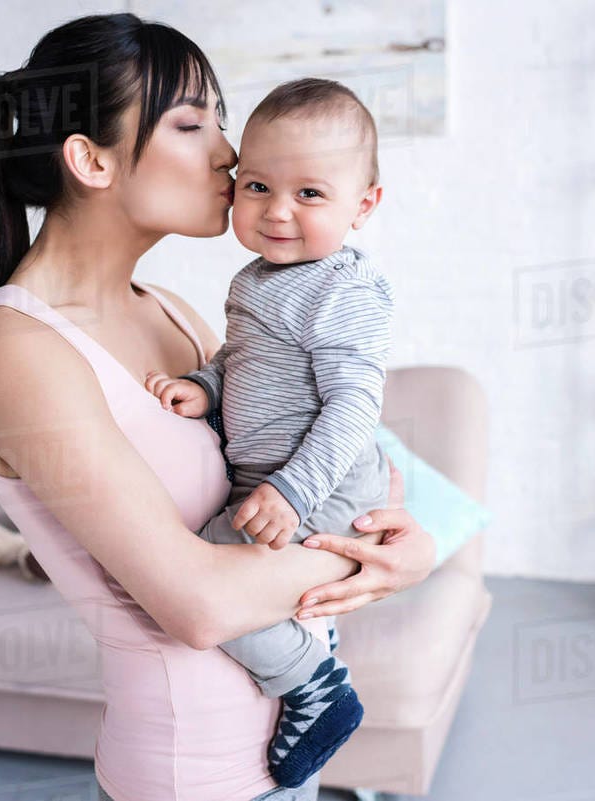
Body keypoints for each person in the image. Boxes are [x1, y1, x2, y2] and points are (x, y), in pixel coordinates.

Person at [0, 13, 437, 801]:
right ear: (90, 159)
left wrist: (402, 536)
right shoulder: (17, 351)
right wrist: (377, 562)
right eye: (193, 123)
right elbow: (196, 606)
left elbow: (346, 451)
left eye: (222, 121)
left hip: (289, 757)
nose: (231, 154)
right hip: (193, 779)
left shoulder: (172, 312)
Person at [144, 77, 392, 789]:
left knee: (200, 575)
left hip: (319, 481)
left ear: (363, 206)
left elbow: (353, 405)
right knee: (205, 569)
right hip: (271, 479)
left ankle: (316, 686)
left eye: (310, 194)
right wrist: (208, 386)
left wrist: (292, 487)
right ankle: (309, 657)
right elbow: (246, 360)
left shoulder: (344, 288)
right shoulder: (257, 280)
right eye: (256, 185)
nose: (277, 211)